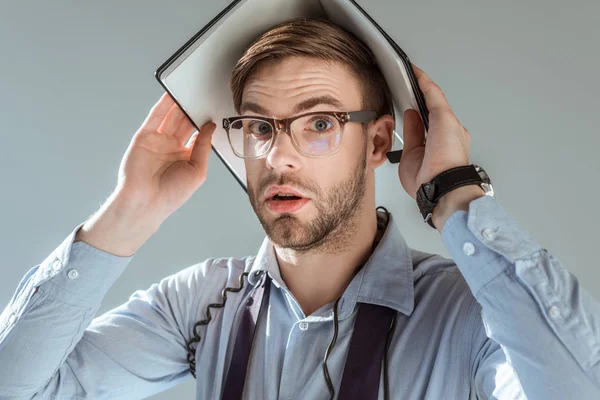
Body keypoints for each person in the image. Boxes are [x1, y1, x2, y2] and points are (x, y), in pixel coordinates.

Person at [0, 17, 598, 400]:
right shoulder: (201, 305)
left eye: (318, 123)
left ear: (376, 142)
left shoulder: (467, 316)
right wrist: (127, 213)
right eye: (260, 125)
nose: (279, 155)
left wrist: (457, 194)